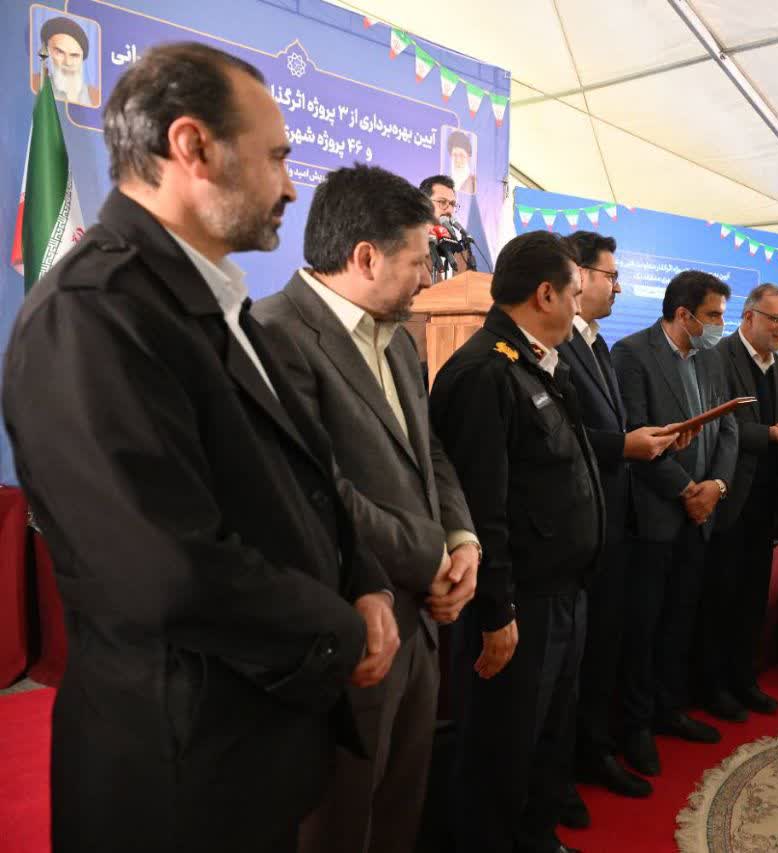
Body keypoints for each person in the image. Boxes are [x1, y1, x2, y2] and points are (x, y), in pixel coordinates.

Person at [2, 43, 399, 851]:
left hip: (250, 750)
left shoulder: (217, 301)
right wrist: (340, 628)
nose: (292, 186)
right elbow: (164, 570)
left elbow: (304, 475)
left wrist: (365, 580)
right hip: (177, 778)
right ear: (193, 147)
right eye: (278, 157)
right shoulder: (91, 312)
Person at [251, 164, 479, 853]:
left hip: (422, 622)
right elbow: (312, 491)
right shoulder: (274, 335)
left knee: (398, 811)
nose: (428, 280)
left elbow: (427, 451)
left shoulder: (400, 340)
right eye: (418, 262)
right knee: (338, 821)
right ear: (366, 257)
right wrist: (430, 555)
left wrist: (462, 538)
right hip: (351, 624)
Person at [430, 230, 604, 853]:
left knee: (546, 745)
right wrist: (496, 610)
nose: (580, 306)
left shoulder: (538, 363)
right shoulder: (484, 371)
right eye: (575, 294)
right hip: (518, 605)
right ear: (545, 294)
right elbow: (481, 508)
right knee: (500, 755)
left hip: (562, 594)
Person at [556, 231, 676, 807]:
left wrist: (650, 439)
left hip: (616, 522)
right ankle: (576, 761)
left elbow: (613, 426)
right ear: (577, 276)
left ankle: (597, 748)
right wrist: (623, 446)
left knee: (609, 645)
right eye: (611, 275)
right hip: (577, 525)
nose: (619, 287)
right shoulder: (557, 346)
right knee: (578, 659)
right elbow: (565, 434)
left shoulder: (598, 344)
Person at [612, 270, 740, 776]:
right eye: (713, 316)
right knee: (643, 626)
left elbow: (728, 427)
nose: (720, 325)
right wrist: (687, 490)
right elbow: (634, 436)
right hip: (654, 516)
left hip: (701, 514)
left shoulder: (711, 357)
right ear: (683, 314)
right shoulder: (631, 354)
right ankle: (636, 725)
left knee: (680, 620)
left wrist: (716, 487)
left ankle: (670, 708)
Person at [704, 283, 778, 719]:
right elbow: (716, 425)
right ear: (748, 317)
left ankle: (744, 680)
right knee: (720, 599)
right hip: (728, 499)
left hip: (768, 501)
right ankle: (713, 687)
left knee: (752, 600)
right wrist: (770, 435)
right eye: (775, 319)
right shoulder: (718, 358)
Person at [33, 16, 100, 107]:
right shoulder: (36, 83)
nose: (67, 62)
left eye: (74, 55)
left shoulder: (94, 96)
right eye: (60, 52)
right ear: (48, 51)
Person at [419, 175, 472, 271]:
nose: (450, 210)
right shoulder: (404, 243)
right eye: (442, 202)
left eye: (452, 204)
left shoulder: (454, 248)